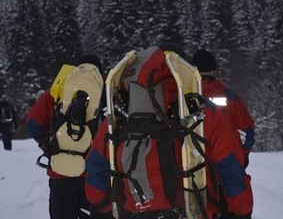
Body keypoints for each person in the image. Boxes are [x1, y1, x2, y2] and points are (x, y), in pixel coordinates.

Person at [85, 46, 253, 219]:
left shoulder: (120, 116)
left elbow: (96, 166)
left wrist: (101, 205)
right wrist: (241, 210)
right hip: (192, 211)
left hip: (134, 212)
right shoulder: (202, 111)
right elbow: (231, 167)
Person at [26, 54, 103, 219]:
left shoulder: (57, 92)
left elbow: (33, 125)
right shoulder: (105, 94)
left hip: (60, 174)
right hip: (94, 177)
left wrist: (50, 145)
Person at [191, 49, 256, 219]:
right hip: (228, 158)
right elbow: (248, 128)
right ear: (214, 70)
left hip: (195, 162)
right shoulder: (229, 96)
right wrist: (245, 151)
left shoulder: (185, 100)